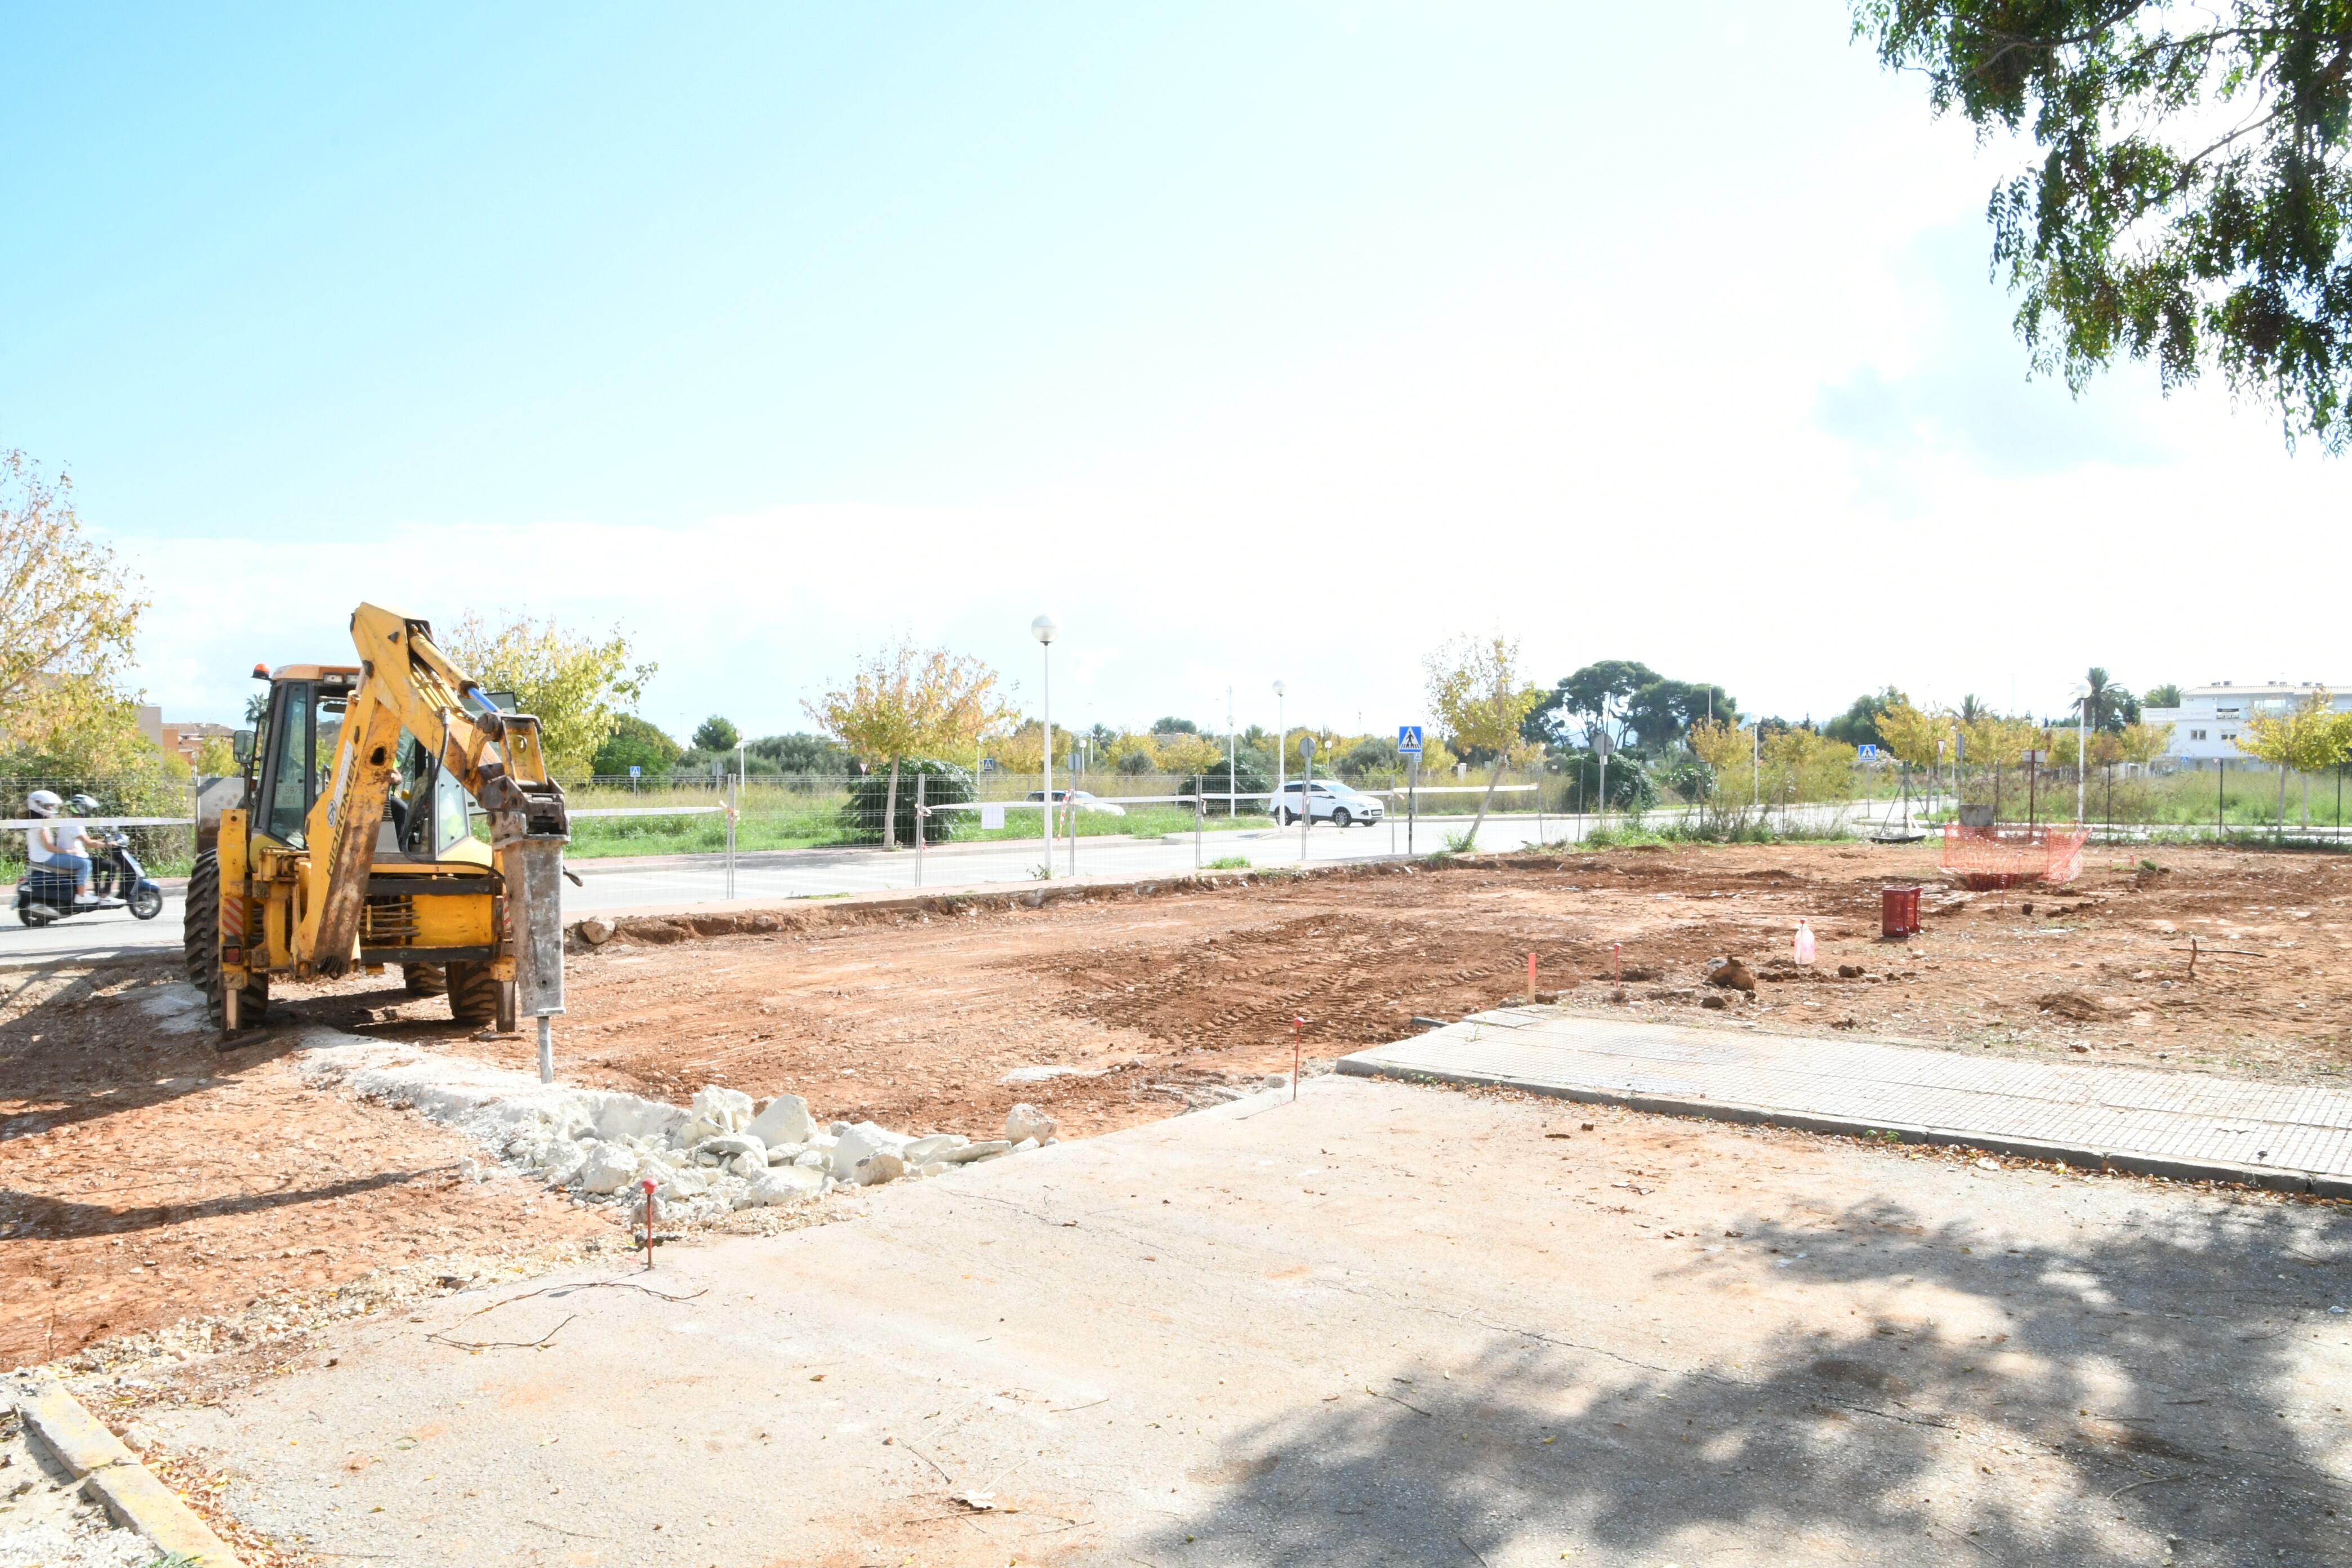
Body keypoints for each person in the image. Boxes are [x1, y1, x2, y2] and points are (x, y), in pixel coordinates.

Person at [24, 789, 120, 907]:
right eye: (49, 806)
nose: (52, 808)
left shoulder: (36, 822)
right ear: (39, 806)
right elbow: (49, 847)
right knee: (84, 863)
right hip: (46, 857)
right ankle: (81, 896)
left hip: (43, 856)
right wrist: (68, 851)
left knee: (89, 862)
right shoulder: (41, 824)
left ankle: (96, 895)